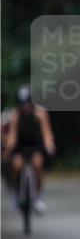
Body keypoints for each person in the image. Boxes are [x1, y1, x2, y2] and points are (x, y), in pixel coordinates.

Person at [2, 85, 56, 213]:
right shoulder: (15, 116)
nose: (25, 106)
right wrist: (8, 149)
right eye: (22, 103)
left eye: (27, 103)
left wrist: (49, 145)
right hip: (20, 146)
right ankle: (16, 192)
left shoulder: (41, 114)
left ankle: (37, 196)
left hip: (35, 145)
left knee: (38, 164)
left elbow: (46, 132)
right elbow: (13, 137)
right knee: (16, 165)